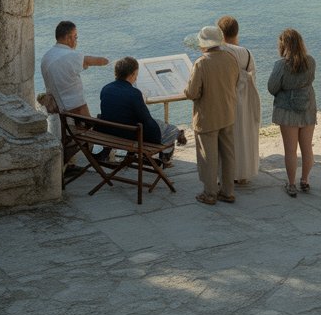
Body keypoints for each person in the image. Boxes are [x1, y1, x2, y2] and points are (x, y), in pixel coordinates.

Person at [183, 25, 239, 206]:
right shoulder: (231, 58)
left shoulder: (201, 63)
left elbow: (192, 93)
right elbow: (236, 81)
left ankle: (209, 193)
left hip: (207, 116)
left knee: (208, 156)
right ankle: (228, 191)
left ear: (204, 43)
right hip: (228, 113)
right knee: (228, 154)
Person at [98, 57, 181, 165]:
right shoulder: (134, 93)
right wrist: (156, 137)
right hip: (131, 135)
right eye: (136, 74)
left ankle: (128, 155)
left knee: (157, 124)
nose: (136, 78)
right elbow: (147, 120)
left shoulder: (106, 88)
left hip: (111, 132)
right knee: (172, 129)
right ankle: (164, 160)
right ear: (132, 74)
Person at [267, 28, 317, 197]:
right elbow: (310, 80)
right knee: (307, 148)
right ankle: (305, 180)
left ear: (283, 45)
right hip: (307, 107)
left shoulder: (281, 65)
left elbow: (272, 87)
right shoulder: (311, 61)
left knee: (290, 150)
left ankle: (291, 184)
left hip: (287, 110)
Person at [218, 15, 261, 185]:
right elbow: (253, 78)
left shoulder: (219, 52)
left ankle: (224, 175)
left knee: (225, 140)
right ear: (237, 31)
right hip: (244, 102)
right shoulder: (247, 53)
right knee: (244, 137)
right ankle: (243, 174)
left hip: (224, 101)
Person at [40, 20, 109, 117]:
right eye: (75, 37)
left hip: (57, 109)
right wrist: (111, 62)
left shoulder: (46, 57)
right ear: (68, 38)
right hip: (76, 110)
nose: (76, 41)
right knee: (94, 127)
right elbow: (95, 61)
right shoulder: (71, 55)